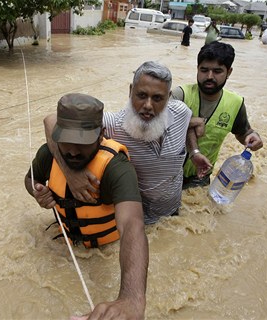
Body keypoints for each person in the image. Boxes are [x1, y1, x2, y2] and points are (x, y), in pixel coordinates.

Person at [25, 93, 148, 320]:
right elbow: (30, 178)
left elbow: (132, 224)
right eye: (65, 141)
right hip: (63, 244)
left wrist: (132, 298)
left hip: (107, 250)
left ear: (101, 135)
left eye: (81, 143)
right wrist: (37, 191)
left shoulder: (116, 168)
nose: (72, 151)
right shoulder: (48, 153)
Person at [44, 61, 197, 224]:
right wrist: (71, 173)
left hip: (173, 216)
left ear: (169, 97)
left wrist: (195, 151)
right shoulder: (112, 125)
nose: (148, 105)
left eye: (157, 98)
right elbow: (50, 121)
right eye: (142, 95)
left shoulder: (181, 112)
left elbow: (189, 126)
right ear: (131, 91)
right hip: (135, 222)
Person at [171, 41, 264, 189]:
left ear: (229, 72)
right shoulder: (180, 95)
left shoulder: (235, 103)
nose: (209, 76)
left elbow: (243, 132)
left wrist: (252, 137)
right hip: (167, 175)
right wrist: (194, 121)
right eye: (204, 70)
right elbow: (158, 123)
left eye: (217, 71)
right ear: (197, 69)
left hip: (200, 178)